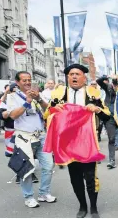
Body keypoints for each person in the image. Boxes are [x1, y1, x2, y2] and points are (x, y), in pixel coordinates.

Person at [44, 64, 110, 218]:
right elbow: (47, 114)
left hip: (87, 142)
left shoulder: (93, 94)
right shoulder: (58, 95)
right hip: (67, 144)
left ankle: (93, 207)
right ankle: (82, 206)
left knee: (90, 176)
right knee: (75, 177)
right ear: (67, 78)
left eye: (77, 74)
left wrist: (97, 109)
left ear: (84, 77)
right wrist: (54, 109)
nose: (74, 77)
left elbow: (107, 115)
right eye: (71, 74)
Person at [6, 71, 56, 208]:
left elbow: (49, 110)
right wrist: (27, 102)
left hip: (40, 135)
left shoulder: (35, 95)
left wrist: (38, 98)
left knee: (48, 165)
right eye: (24, 80)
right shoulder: (12, 97)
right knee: (26, 168)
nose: (27, 82)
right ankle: (28, 197)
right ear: (17, 82)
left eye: (29, 80)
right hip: (24, 136)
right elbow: (14, 116)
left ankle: (44, 193)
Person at [96, 75, 118, 169]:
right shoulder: (108, 87)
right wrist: (107, 76)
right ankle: (112, 160)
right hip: (110, 117)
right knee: (112, 139)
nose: (116, 86)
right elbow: (99, 80)